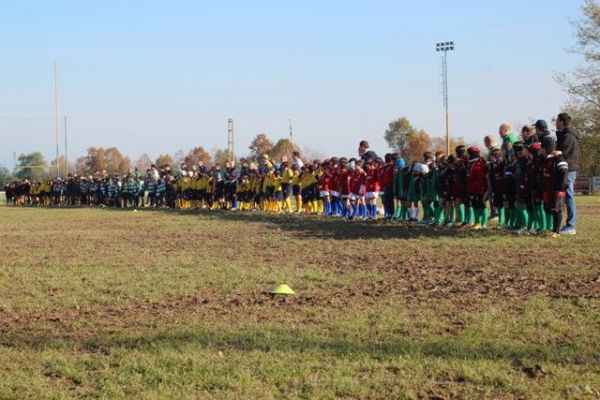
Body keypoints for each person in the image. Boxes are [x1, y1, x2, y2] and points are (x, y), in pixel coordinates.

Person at [555, 112, 580, 235]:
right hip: (565, 168)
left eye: (557, 121)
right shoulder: (563, 135)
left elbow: (563, 151)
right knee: (565, 196)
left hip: (568, 169)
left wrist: (555, 152)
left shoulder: (568, 136)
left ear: (562, 122)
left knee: (569, 195)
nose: (555, 123)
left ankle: (571, 226)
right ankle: (567, 224)